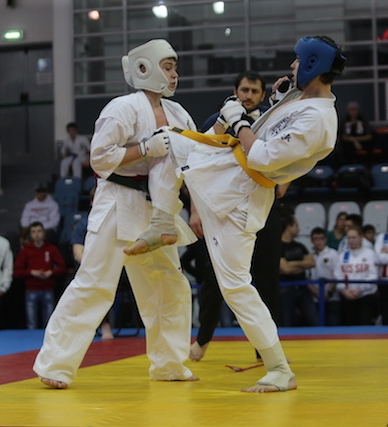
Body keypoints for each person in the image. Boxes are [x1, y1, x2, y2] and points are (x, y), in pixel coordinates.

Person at [125, 35, 346, 392]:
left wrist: (238, 120)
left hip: (242, 198)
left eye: (296, 61)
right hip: (224, 174)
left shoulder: (319, 119)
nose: (291, 66)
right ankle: (164, 222)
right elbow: (272, 128)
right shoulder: (301, 100)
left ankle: (279, 369)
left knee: (235, 286)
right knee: (170, 140)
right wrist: (278, 98)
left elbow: (263, 156)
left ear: (312, 64)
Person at [33, 39, 200, 390]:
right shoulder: (122, 107)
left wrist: (197, 208)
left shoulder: (179, 114)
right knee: (94, 283)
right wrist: (144, 148)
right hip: (118, 200)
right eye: (168, 67)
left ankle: (169, 363)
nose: (174, 75)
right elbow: (100, 158)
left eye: (175, 68)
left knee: (170, 286)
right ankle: (55, 365)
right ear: (145, 68)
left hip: (159, 210)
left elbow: (193, 163)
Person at [190, 70, 284, 362]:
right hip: (221, 209)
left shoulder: (270, 120)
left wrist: (284, 182)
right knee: (214, 277)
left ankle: (264, 349)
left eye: (254, 91)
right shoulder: (217, 122)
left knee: (267, 278)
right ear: (235, 91)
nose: (248, 96)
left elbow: (287, 156)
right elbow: (196, 165)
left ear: (262, 95)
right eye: (244, 90)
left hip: (263, 206)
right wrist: (195, 210)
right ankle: (203, 339)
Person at [70, 187, 114, 339]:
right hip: (92, 269)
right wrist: (93, 266)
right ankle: (103, 324)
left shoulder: (118, 223)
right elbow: (77, 253)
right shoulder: (83, 224)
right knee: (95, 282)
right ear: (91, 202)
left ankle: (105, 324)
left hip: (115, 268)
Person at [14, 222, 67, 330]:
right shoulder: (25, 250)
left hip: (48, 289)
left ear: (44, 233)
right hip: (31, 290)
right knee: (31, 324)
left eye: (39, 231)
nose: (36, 234)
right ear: (30, 235)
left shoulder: (51, 249)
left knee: (49, 324)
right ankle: (32, 341)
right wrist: (31, 272)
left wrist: (51, 272)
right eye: (33, 232)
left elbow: (62, 268)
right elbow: (17, 272)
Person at [334, 226, 378, 325]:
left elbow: (373, 276)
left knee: (365, 327)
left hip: (366, 297)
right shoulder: (342, 255)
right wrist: (344, 290)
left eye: (354, 237)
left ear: (361, 237)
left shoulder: (370, 254)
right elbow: (338, 275)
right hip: (348, 298)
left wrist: (359, 289)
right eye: (349, 238)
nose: (351, 240)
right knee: (350, 328)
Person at [279, 214, 317, 326]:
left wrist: (293, 263)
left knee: (314, 320)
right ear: (289, 227)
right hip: (285, 289)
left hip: (303, 287)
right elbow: (285, 269)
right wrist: (302, 265)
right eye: (296, 225)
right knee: (286, 322)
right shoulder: (278, 246)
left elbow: (312, 263)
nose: (299, 229)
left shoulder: (300, 246)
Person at [309, 227, 340, 326]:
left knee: (333, 325)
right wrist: (317, 293)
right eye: (316, 239)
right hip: (315, 298)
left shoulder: (333, 254)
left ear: (325, 239)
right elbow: (307, 277)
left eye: (321, 238)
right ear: (311, 241)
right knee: (317, 326)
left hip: (333, 297)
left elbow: (337, 274)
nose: (319, 242)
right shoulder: (309, 256)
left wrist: (329, 292)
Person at [336, 101, 372, 165]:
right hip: (349, 142)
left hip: (362, 141)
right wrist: (354, 141)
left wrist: (356, 140)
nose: (353, 112)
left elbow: (369, 136)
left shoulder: (363, 120)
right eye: (351, 110)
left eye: (355, 109)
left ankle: (368, 165)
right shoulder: (344, 121)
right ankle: (350, 164)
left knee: (370, 145)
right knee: (345, 146)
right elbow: (343, 136)